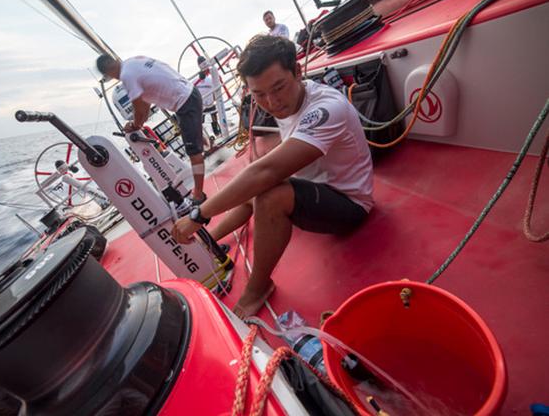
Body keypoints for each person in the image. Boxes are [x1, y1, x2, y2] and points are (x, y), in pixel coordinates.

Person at [172, 35, 374, 318]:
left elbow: (266, 172)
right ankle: (210, 242)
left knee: (268, 192)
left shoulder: (326, 109)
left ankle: (257, 289)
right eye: (259, 94)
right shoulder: (285, 99)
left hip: (349, 205)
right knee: (254, 186)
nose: (272, 101)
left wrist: (197, 215)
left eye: (279, 87)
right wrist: (203, 229)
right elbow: (257, 178)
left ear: (298, 72)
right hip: (313, 190)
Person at [96, 54, 207, 202]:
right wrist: (139, 122)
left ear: (108, 73)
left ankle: (199, 194)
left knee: (194, 152)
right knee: (194, 140)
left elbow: (140, 109)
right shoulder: (134, 61)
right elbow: (144, 103)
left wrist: (135, 125)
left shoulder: (127, 75)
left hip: (184, 101)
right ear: (115, 60)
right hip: (188, 93)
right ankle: (202, 140)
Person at [195, 56, 222, 137]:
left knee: (212, 116)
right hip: (203, 104)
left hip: (206, 103)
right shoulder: (209, 79)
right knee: (202, 120)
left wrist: (213, 99)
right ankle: (212, 133)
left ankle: (214, 132)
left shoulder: (208, 79)